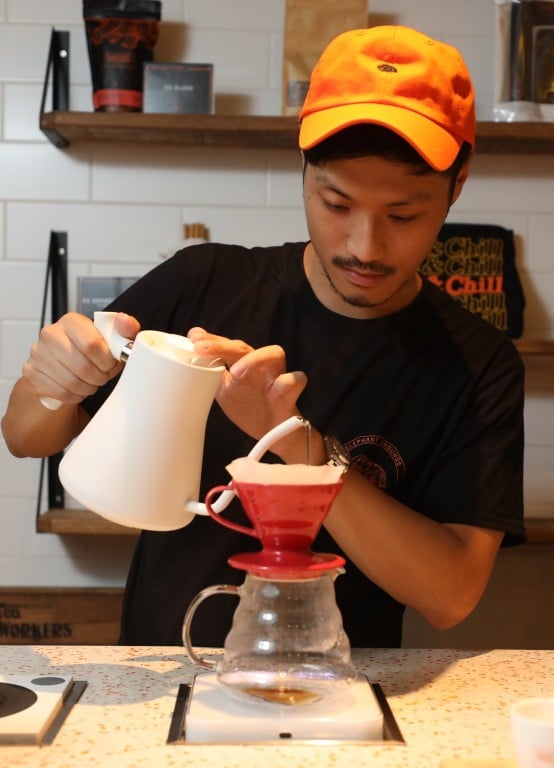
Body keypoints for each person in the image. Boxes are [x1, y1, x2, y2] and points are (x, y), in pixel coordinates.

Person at [1, 25, 525, 648]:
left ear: (456, 186)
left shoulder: (477, 362)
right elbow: (23, 435)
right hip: (170, 679)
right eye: (336, 204)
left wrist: (299, 444)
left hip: (346, 695)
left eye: (403, 216)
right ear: (303, 170)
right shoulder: (204, 282)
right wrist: (54, 381)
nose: (364, 246)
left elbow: (450, 594)